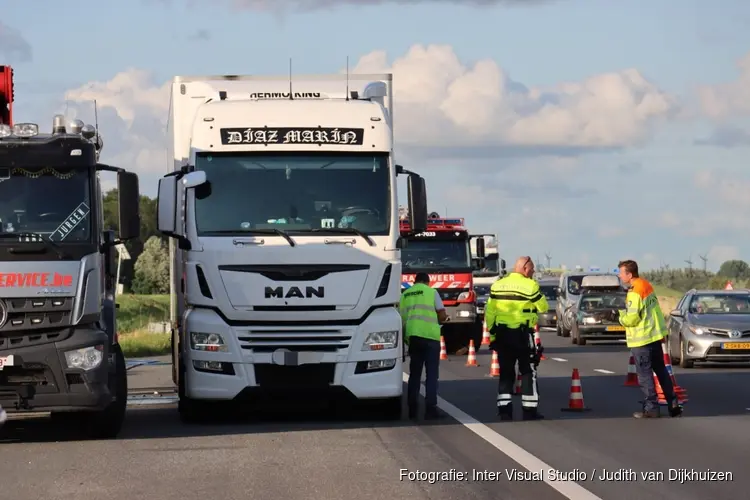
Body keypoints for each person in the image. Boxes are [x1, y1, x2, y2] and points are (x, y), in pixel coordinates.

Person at [485, 256, 548, 421]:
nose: (533, 273)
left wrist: (492, 335)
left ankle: (504, 411)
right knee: (528, 371)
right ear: (525, 269)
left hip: (502, 335)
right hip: (523, 335)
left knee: (506, 372)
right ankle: (529, 410)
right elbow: (543, 307)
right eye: (532, 270)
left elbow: (490, 312)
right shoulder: (530, 285)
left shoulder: (497, 285)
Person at [617, 259, 682, 418]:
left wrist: (620, 318)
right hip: (654, 337)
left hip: (642, 339)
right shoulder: (646, 286)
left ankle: (651, 408)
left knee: (645, 376)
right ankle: (673, 404)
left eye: (621, 273)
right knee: (661, 371)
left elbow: (632, 318)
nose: (619, 276)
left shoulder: (634, 292)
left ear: (629, 274)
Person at [400, 272, 449, 420]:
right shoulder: (432, 292)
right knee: (431, 374)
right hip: (430, 337)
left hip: (413, 338)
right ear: (427, 282)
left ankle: (412, 409)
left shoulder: (405, 295)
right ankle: (430, 409)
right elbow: (441, 314)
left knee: (414, 374)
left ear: (415, 281)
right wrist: (444, 320)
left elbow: (401, 318)